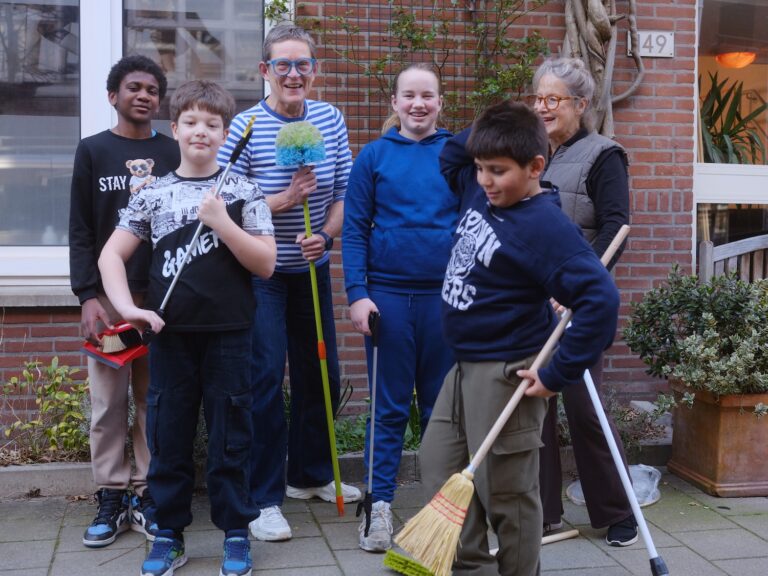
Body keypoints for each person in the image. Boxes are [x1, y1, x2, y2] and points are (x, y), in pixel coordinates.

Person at [422, 100, 620, 575]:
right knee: (439, 471)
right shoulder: (482, 188)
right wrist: (500, 122)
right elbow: (452, 154)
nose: (485, 179)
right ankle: (469, 567)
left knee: (506, 494)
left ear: (535, 167)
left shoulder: (546, 227)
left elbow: (600, 299)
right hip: (463, 366)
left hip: (507, 373)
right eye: (481, 168)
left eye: (498, 170)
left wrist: (556, 374)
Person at [98, 80, 276, 576]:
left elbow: (266, 263)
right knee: (168, 436)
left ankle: (237, 532)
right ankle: (169, 534)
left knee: (231, 437)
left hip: (230, 335)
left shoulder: (243, 190)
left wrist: (223, 223)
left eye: (213, 124)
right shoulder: (152, 194)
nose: (202, 131)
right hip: (171, 338)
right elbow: (111, 254)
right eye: (192, 122)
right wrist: (128, 308)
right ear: (173, 128)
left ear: (225, 133)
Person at [218, 23, 358, 543]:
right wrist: (279, 202)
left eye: (303, 65)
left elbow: (343, 193)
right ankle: (262, 498)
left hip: (312, 266)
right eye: (283, 65)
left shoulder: (330, 119)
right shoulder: (246, 127)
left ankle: (311, 475)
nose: (294, 74)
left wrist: (323, 234)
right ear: (265, 72)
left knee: (320, 369)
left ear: (314, 71)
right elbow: (224, 206)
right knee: (264, 375)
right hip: (264, 272)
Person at [342, 63, 458, 552]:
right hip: (387, 299)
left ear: (439, 102)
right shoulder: (373, 157)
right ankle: (379, 507)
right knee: (388, 411)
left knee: (441, 412)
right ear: (394, 103)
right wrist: (357, 293)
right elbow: (353, 230)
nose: (418, 104)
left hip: (444, 302)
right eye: (408, 95)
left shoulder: (458, 156)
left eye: (427, 95)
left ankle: (442, 515)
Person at [68, 54, 180, 548]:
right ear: (113, 96)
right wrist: (86, 295)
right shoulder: (92, 151)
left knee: (156, 402)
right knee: (108, 403)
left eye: (152, 89)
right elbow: (80, 229)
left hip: (161, 300)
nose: (144, 95)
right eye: (133, 87)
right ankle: (111, 495)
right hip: (110, 304)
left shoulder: (175, 152)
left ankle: (148, 495)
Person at [527, 56, 637, 547]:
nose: (543, 107)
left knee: (584, 407)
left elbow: (616, 228)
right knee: (536, 408)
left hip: (576, 304)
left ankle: (619, 514)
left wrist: (577, 289)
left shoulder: (603, 154)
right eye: (538, 98)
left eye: (554, 99)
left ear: (581, 104)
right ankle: (544, 514)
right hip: (533, 303)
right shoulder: (532, 153)